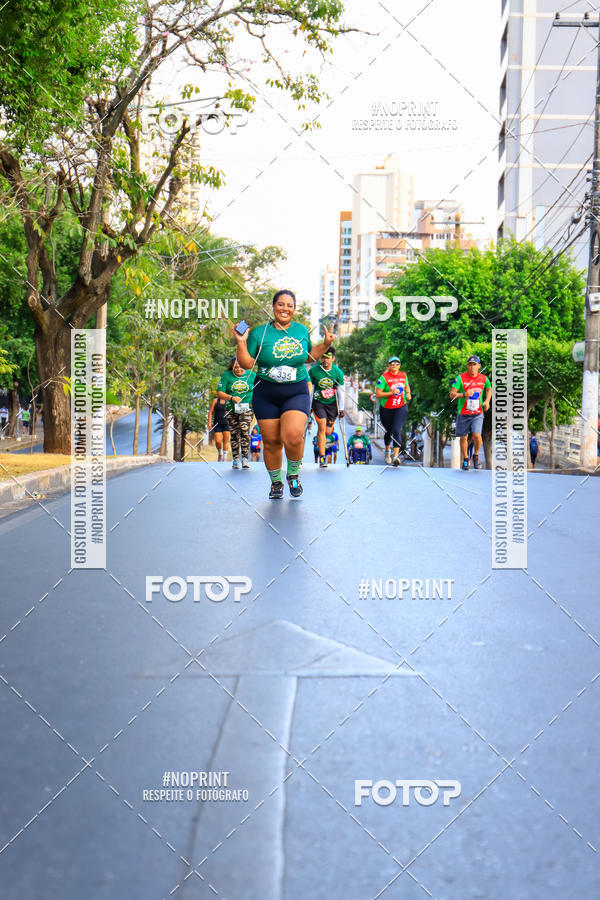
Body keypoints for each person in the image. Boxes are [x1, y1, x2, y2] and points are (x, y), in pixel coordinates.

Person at [233, 289, 334, 499]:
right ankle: (276, 482)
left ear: (294, 310)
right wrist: (241, 343)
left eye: (289, 305)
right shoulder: (260, 333)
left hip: (295, 391)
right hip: (265, 392)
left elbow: (308, 357)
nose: (285, 309)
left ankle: (294, 474)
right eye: (280, 304)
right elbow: (247, 363)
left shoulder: (300, 330)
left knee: (294, 435)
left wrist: (325, 344)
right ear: (273, 307)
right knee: (271, 442)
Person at [449, 355, 492, 470]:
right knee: (463, 437)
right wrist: (464, 394)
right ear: (467, 366)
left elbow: (489, 388)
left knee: (477, 435)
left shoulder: (484, 379)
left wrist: (487, 401)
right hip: (463, 412)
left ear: (479, 366)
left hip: (478, 413)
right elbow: (452, 395)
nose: (472, 367)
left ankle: (476, 455)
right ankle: (466, 459)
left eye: (474, 364)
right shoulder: (460, 378)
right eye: (470, 364)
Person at [308, 346, 345, 468]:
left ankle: (323, 450)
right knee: (322, 427)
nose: (325, 360)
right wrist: (308, 406)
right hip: (318, 402)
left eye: (328, 358)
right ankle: (322, 457)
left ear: (333, 358)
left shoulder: (337, 373)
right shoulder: (314, 371)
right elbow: (310, 389)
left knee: (328, 431)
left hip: (332, 404)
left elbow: (340, 391)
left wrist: (341, 409)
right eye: (323, 357)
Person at [217, 358, 256, 469]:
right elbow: (220, 392)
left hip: (247, 408)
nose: (238, 369)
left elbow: (260, 388)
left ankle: (244, 458)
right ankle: (235, 459)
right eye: (235, 367)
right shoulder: (226, 375)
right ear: (232, 367)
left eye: (240, 367)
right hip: (231, 408)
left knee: (244, 430)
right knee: (234, 433)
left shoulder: (251, 374)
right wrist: (231, 397)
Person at [376, 356, 412, 466]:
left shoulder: (403, 375)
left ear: (399, 366)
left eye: (397, 364)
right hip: (386, 408)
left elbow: (406, 387)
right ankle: (387, 451)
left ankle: (396, 456)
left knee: (396, 430)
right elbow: (378, 394)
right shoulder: (383, 378)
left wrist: (408, 394)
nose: (394, 366)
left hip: (400, 406)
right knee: (389, 431)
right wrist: (391, 393)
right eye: (392, 364)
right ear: (389, 365)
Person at [207, 395, 231, 462]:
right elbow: (210, 411)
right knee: (218, 441)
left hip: (227, 424)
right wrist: (209, 423)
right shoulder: (215, 400)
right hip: (217, 424)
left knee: (226, 441)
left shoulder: (229, 401)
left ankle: (225, 457)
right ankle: (220, 453)